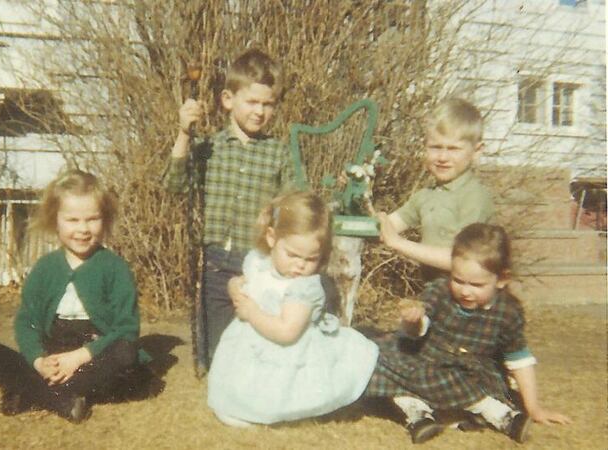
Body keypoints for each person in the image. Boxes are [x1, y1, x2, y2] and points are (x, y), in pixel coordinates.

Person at [0, 169, 150, 422]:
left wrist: (79, 357)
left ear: (105, 220)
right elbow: (26, 322)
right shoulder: (45, 268)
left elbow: (127, 329)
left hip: (94, 353)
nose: (83, 229)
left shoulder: (114, 267)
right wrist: (38, 362)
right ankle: (59, 396)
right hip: (52, 353)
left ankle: (32, 392)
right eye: (73, 220)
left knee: (127, 355)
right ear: (55, 220)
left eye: (92, 219)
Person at [365, 223, 571, 444]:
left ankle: (499, 414)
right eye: (458, 280)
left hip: (468, 374)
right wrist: (413, 322)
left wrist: (535, 408)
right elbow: (420, 326)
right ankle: (418, 414)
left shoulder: (508, 312)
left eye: (476, 284)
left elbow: (519, 359)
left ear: (501, 279)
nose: (465, 290)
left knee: (451, 379)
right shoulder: (439, 291)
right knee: (374, 356)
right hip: (427, 360)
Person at [164, 48, 296, 370]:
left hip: (257, 262)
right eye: (252, 102)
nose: (259, 111)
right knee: (215, 357)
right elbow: (173, 184)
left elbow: (292, 208)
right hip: (214, 263)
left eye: (268, 104)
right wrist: (183, 131)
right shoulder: (208, 147)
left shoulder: (278, 153)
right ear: (227, 100)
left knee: (255, 346)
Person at [207, 192, 379, 427]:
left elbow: (287, 332)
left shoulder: (303, 287)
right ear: (271, 238)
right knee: (242, 386)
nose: (299, 265)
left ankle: (282, 412)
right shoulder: (259, 262)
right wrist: (235, 288)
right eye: (292, 255)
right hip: (252, 345)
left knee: (284, 392)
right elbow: (244, 281)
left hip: (288, 351)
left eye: (311, 259)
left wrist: (252, 313)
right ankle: (241, 405)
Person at [377, 98, 494, 281]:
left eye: (453, 149)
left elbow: (461, 259)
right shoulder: (425, 196)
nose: (442, 157)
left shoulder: (474, 197)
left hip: (468, 297)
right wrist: (354, 200)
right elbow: (385, 227)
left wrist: (399, 243)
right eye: (435, 147)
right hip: (435, 294)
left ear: (476, 152)